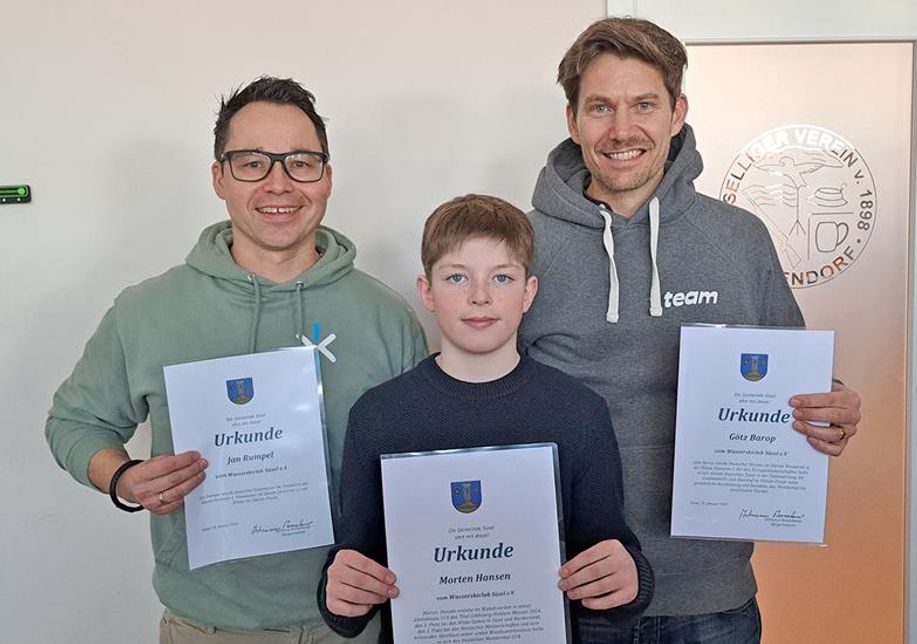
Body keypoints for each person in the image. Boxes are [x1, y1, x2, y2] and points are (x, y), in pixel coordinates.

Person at [45, 76, 427, 643]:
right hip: (208, 627)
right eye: (252, 162)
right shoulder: (147, 310)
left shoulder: (386, 315)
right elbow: (74, 423)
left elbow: (421, 464)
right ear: (219, 177)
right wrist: (124, 478)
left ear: (327, 177)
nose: (279, 183)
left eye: (301, 162)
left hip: (355, 626)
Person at [518, 18, 863, 643]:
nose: (622, 130)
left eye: (643, 104)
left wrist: (828, 407)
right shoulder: (521, 245)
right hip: (567, 589)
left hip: (710, 596)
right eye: (601, 107)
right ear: (573, 121)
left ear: (677, 112)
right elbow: (480, 398)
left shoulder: (739, 239)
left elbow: (793, 377)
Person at [319, 194, 654, 642]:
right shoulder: (378, 416)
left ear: (528, 293)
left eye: (502, 277)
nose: (479, 296)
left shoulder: (578, 412)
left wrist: (629, 580)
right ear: (426, 292)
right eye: (457, 277)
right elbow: (354, 572)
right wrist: (337, 592)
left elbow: (609, 557)